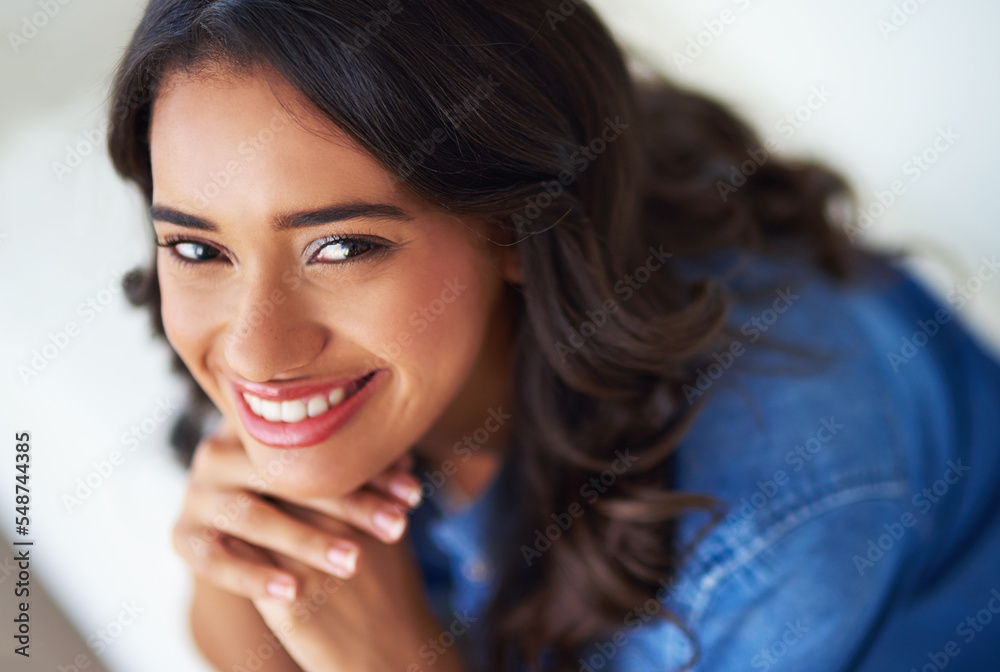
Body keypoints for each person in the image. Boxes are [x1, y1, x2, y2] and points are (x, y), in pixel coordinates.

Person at [105, 1, 1000, 671]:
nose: (255, 353)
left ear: (520, 228)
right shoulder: (384, 373)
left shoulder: (773, 517)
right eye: (196, 246)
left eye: (340, 248)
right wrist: (245, 567)